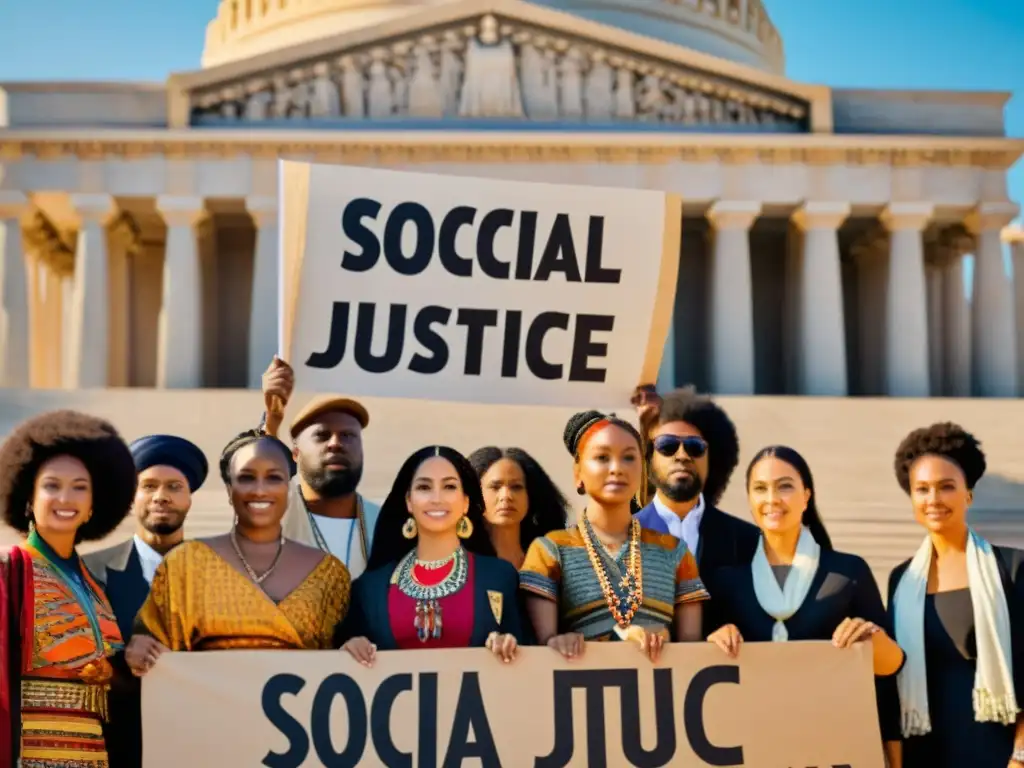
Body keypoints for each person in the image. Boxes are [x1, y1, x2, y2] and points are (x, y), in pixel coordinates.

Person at [704, 445, 904, 764]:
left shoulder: (847, 572)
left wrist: (871, 638)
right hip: (753, 746)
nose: (772, 498)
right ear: (749, 499)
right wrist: (712, 641)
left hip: (833, 746)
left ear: (806, 495)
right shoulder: (726, 581)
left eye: (785, 486)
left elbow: (891, 668)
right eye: (760, 488)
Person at [126, 430, 350, 672]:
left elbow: (343, 663)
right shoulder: (186, 563)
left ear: (289, 487)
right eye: (246, 478)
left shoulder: (329, 573)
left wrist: (354, 648)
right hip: (204, 705)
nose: (260, 490)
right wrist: (140, 649)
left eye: (274, 478)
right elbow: (154, 650)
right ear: (229, 490)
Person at [0, 410, 137, 767]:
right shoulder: (9, 572)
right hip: (30, 752)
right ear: (28, 498)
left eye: (80, 487)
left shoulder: (93, 581)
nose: (66, 498)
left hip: (92, 751)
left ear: (93, 506)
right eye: (52, 485)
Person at [520, 411, 708, 663]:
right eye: (602, 457)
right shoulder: (550, 550)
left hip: (661, 691)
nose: (617, 468)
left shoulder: (675, 551)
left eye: (629, 457)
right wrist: (557, 642)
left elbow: (692, 653)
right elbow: (541, 650)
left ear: (642, 470)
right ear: (578, 473)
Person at [888, 423, 1024, 768]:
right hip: (925, 752)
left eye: (946, 487)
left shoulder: (1013, 567)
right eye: (922, 489)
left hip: (997, 753)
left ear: (968, 495)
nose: (933, 499)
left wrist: (1020, 756)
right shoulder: (901, 580)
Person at [83, 434, 208, 768]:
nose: (161, 497)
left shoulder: (222, 574)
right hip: (119, 747)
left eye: (174, 487)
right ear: (131, 497)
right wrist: (122, 656)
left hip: (202, 744)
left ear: (190, 498)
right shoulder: (91, 572)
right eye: (149, 486)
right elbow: (73, 655)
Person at [335, 445, 523, 665]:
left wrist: (508, 644)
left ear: (465, 502)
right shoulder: (369, 589)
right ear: (408, 501)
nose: (436, 498)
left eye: (449, 487)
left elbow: (531, 658)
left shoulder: (499, 577)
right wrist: (348, 649)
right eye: (424, 487)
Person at [632, 386, 760, 632]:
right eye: (667, 446)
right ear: (648, 457)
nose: (682, 455)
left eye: (695, 447)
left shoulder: (749, 541)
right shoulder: (618, 538)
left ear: (713, 459)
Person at [260, 356, 380, 579]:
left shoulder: (384, 523)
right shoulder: (278, 514)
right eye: (322, 435)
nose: (335, 443)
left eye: (348, 435)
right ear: (295, 453)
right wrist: (271, 422)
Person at [467, 446, 570, 569]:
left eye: (516, 487)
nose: (506, 496)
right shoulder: (457, 565)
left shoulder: (553, 562)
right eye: (495, 487)